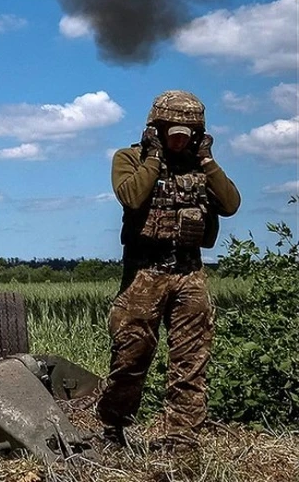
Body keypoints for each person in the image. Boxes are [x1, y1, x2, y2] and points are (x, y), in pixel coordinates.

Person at [96, 91, 240, 449]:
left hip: (189, 273)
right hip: (145, 273)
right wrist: (155, 158)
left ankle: (183, 439)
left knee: (190, 361)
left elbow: (231, 204)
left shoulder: (201, 165)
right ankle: (113, 427)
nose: (180, 139)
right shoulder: (130, 158)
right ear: (156, 129)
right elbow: (131, 196)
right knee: (132, 355)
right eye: (172, 132)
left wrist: (207, 159)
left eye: (187, 133)